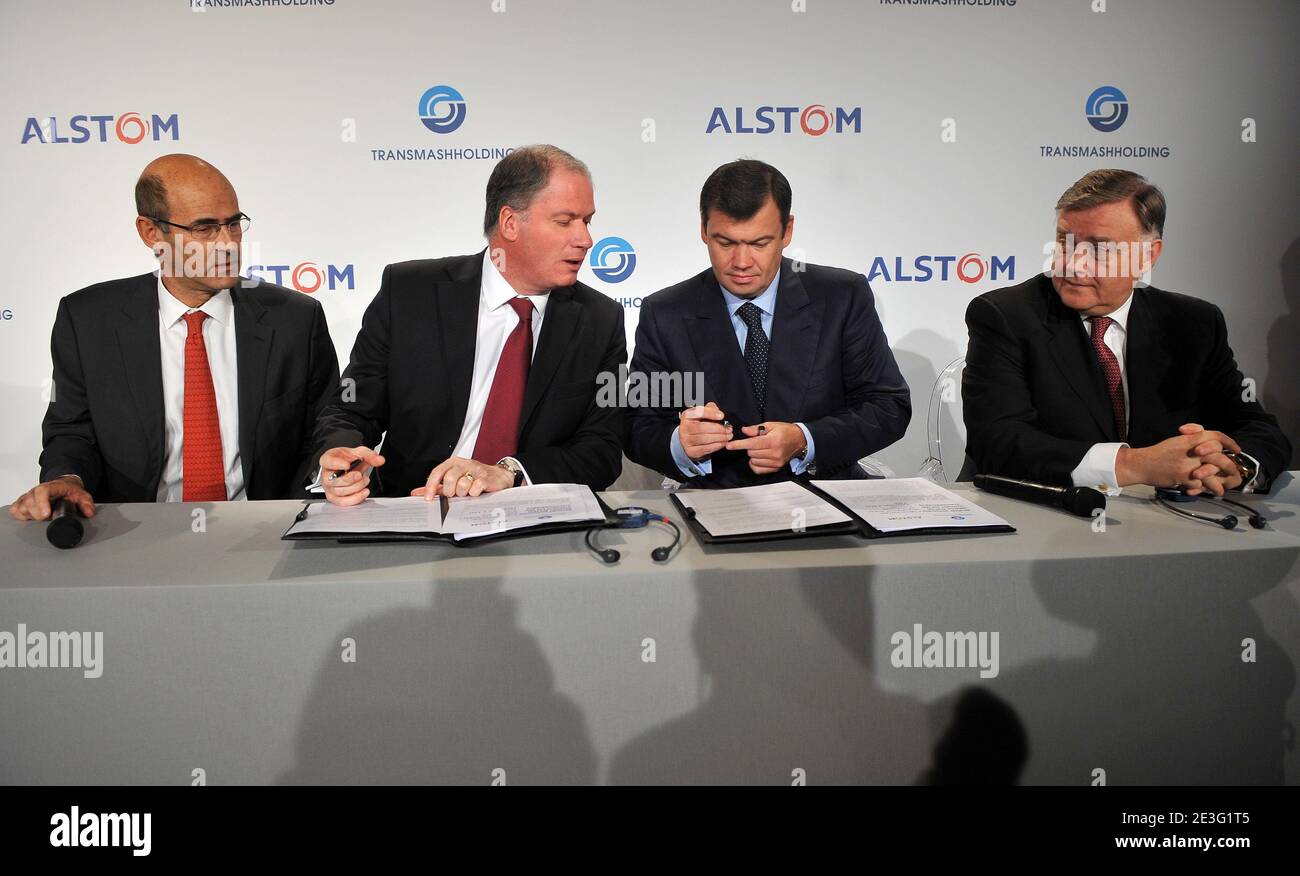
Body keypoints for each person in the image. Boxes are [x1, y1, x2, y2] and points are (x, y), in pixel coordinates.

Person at [9, 154, 340, 521]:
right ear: (151, 232)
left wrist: (328, 476)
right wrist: (68, 478)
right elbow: (72, 432)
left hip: (262, 534)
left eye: (233, 224)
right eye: (204, 228)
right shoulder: (88, 321)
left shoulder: (296, 319)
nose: (227, 243)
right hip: (133, 535)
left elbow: (326, 428)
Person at [314, 145, 626, 506]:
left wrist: (510, 472)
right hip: (415, 508)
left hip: (532, 519)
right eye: (565, 221)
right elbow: (352, 405)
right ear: (510, 222)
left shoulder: (599, 320)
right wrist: (342, 455)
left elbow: (602, 449)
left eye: (587, 221)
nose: (585, 239)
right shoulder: (410, 293)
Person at [963, 168, 1291, 495]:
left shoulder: (1194, 324)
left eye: (1099, 248)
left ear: (1148, 255)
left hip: (1167, 526)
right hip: (1039, 521)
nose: (1073, 263)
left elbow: (1257, 426)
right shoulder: (1006, 316)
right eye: (1065, 241)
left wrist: (1234, 466)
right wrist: (1135, 465)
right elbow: (998, 442)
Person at [625, 159, 910, 488]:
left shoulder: (842, 297)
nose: (741, 262)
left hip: (827, 501)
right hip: (717, 506)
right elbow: (638, 426)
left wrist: (805, 439)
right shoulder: (666, 312)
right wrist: (680, 443)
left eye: (759, 244)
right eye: (726, 242)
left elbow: (889, 406)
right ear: (703, 229)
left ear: (787, 231)